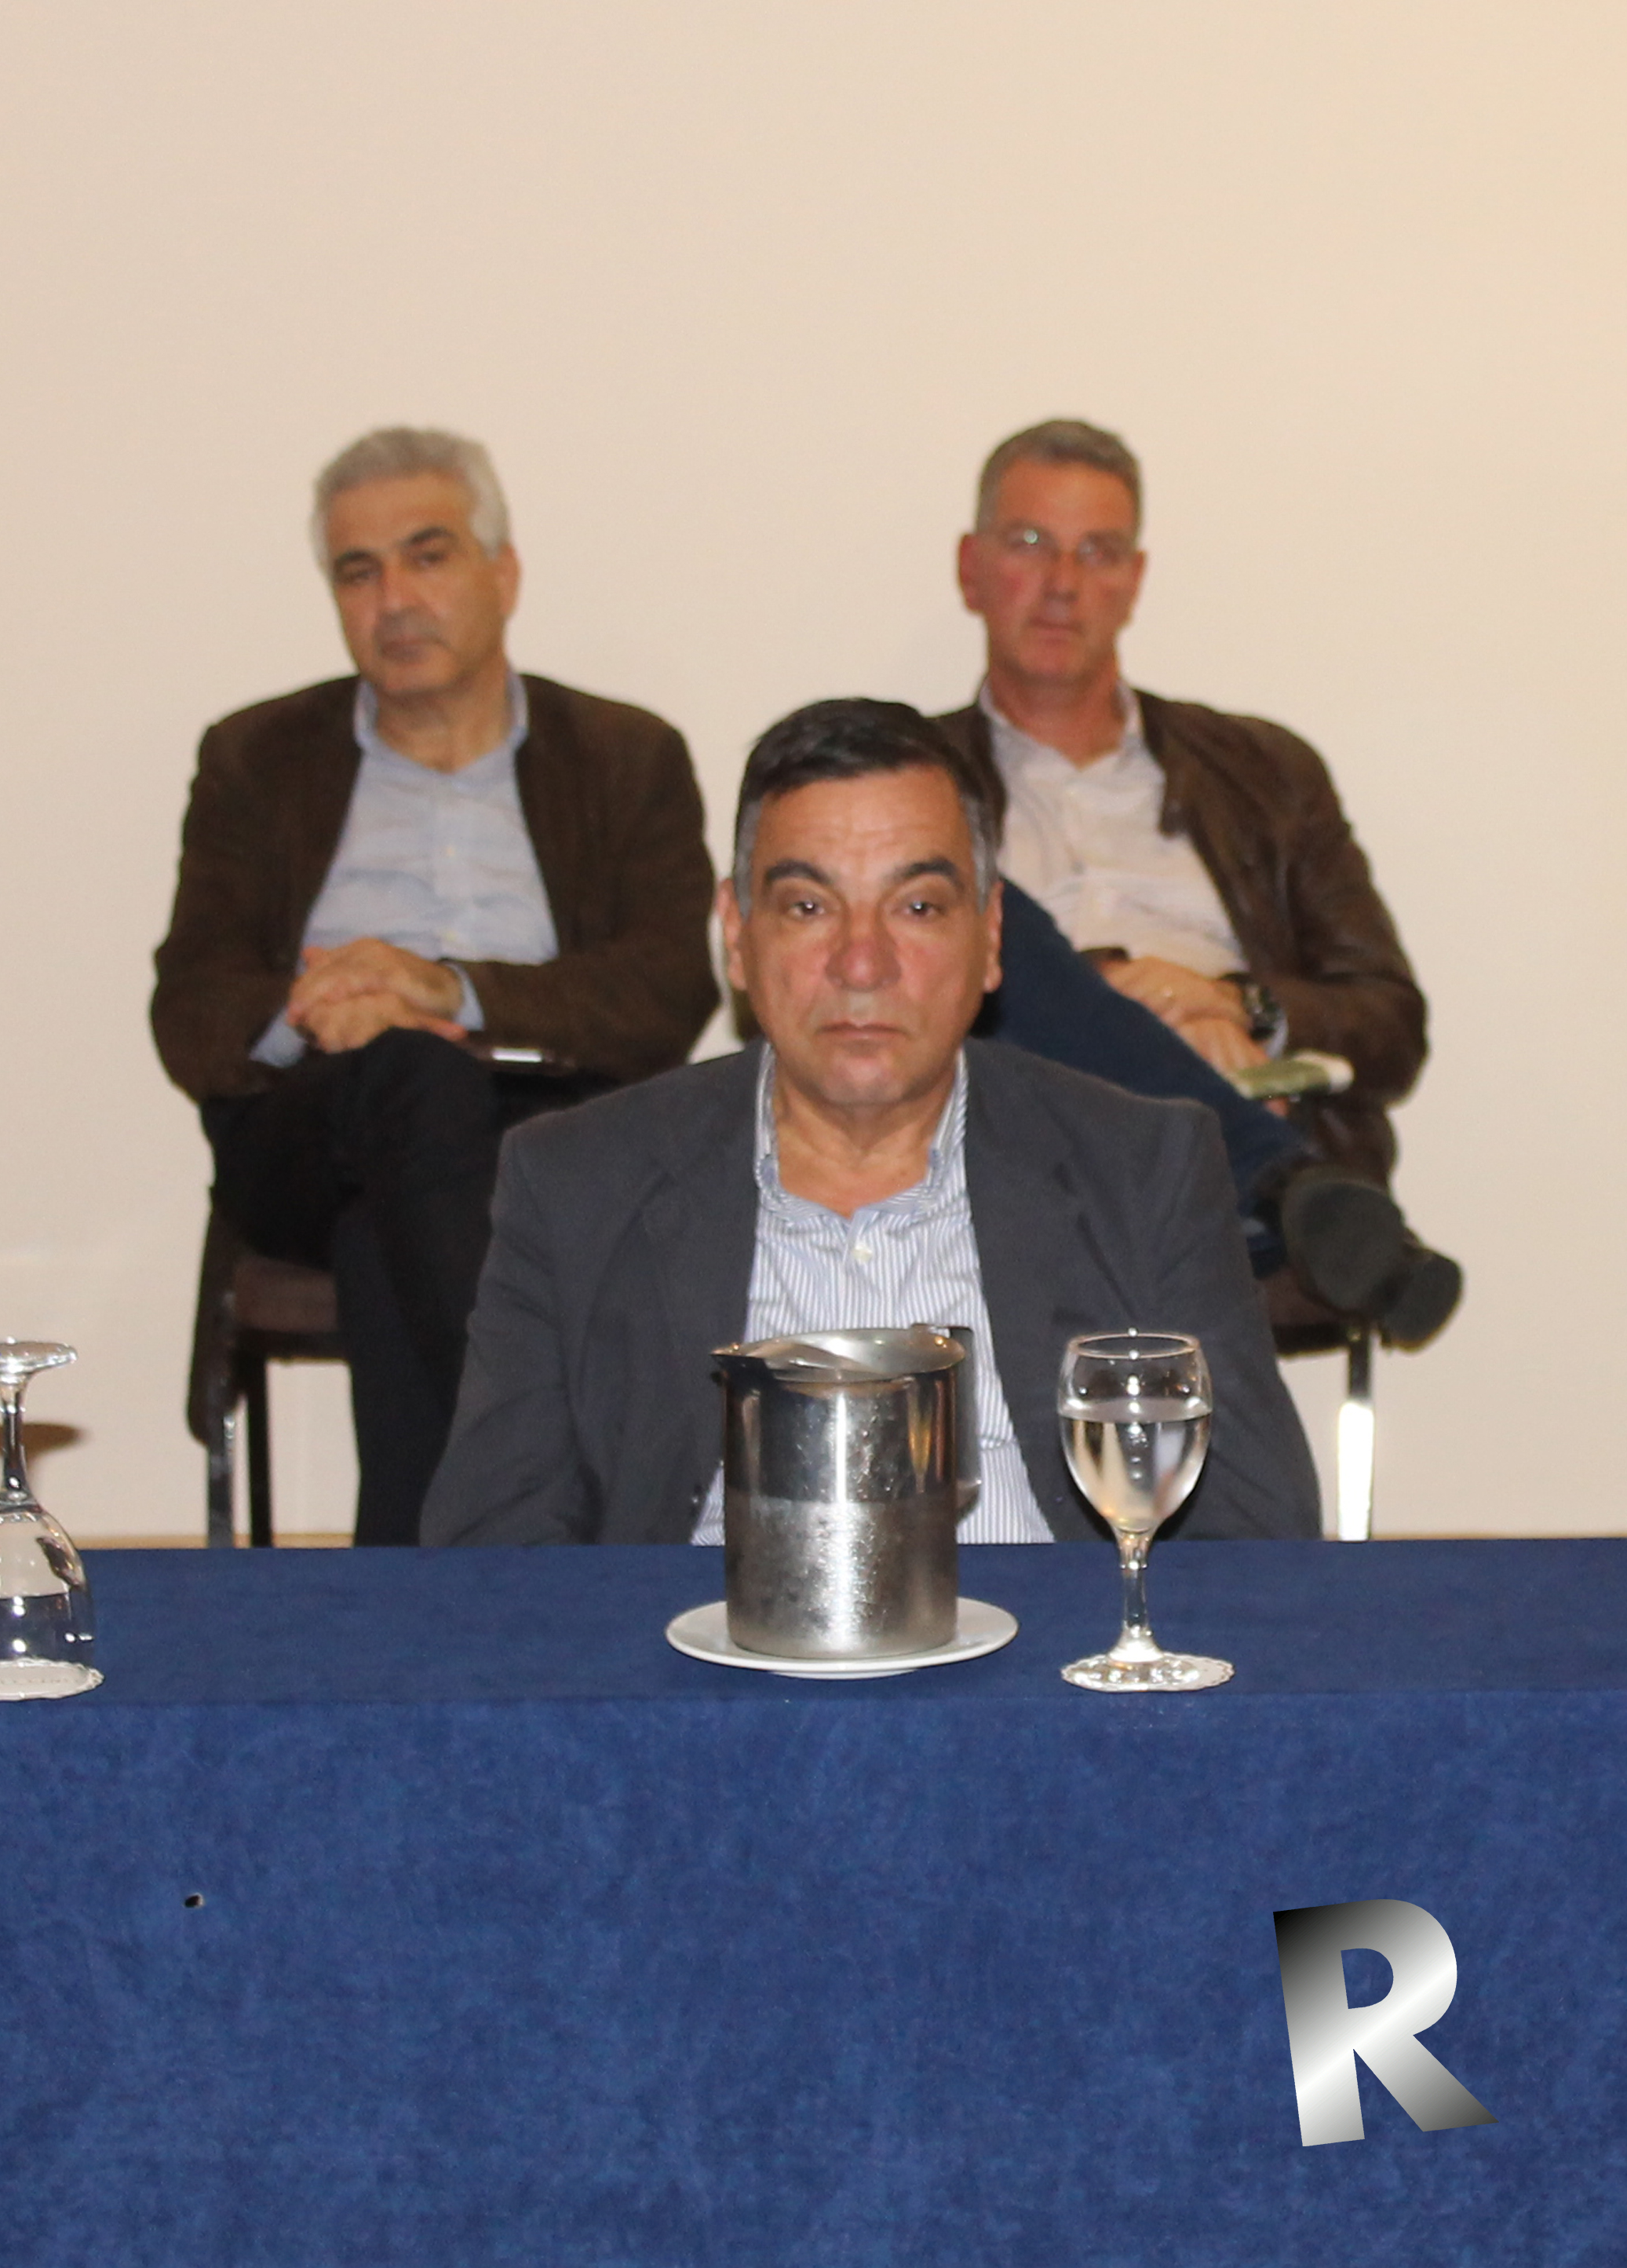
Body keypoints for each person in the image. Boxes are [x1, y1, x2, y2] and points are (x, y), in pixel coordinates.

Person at [420, 698, 1319, 1547]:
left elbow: (1257, 1539)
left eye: (916, 907)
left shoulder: (1144, 1166)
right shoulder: (573, 1181)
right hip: (698, 1655)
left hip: (1049, 1654)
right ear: (737, 935)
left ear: (990, 937)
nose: (861, 962)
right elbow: (494, 1563)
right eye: (808, 907)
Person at [151, 428, 717, 1543]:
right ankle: (554, 1471)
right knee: (410, 1080)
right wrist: (328, 1004)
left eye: (428, 556)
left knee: (389, 1238)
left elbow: (665, 987)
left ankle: (420, 1586)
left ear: (503, 573)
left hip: (544, 1126)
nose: (395, 600)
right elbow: (192, 1008)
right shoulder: (258, 758)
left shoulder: (625, 755)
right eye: (358, 572)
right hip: (316, 1123)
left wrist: (447, 988)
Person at [937, 418, 1457, 1344]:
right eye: (1030, 543)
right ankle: (1281, 1188)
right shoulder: (912, 782)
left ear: (1134, 580)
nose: (1062, 583)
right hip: (1013, 1168)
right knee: (995, 924)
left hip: (1206, 1184)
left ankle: (1256, 1174)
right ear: (970, 568)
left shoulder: (1264, 772)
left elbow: (1389, 1022)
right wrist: (1118, 997)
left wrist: (1232, 1005)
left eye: (1098, 552)